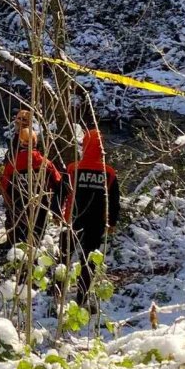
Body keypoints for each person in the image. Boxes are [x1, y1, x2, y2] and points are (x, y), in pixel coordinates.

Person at [61, 128, 121, 302]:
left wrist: (59, 214)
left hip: (73, 218)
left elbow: (62, 193)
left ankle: (57, 291)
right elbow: (114, 200)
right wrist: (112, 222)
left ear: (84, 146)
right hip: (96, 222)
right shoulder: (108, 172)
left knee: (64, 255)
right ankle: (82, 297)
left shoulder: (73, 168)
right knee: (88, 260)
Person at [0, 128, 66, 253]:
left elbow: (4, 186)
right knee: (36, 239)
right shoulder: (45, 162)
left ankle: (16, 261)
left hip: (18, 207)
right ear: (36, 143)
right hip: (40, 206)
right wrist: (57, 209)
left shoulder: (13, 163)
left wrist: (9, 204)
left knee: (17, 240)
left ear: (20, 142)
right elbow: (59, 184)